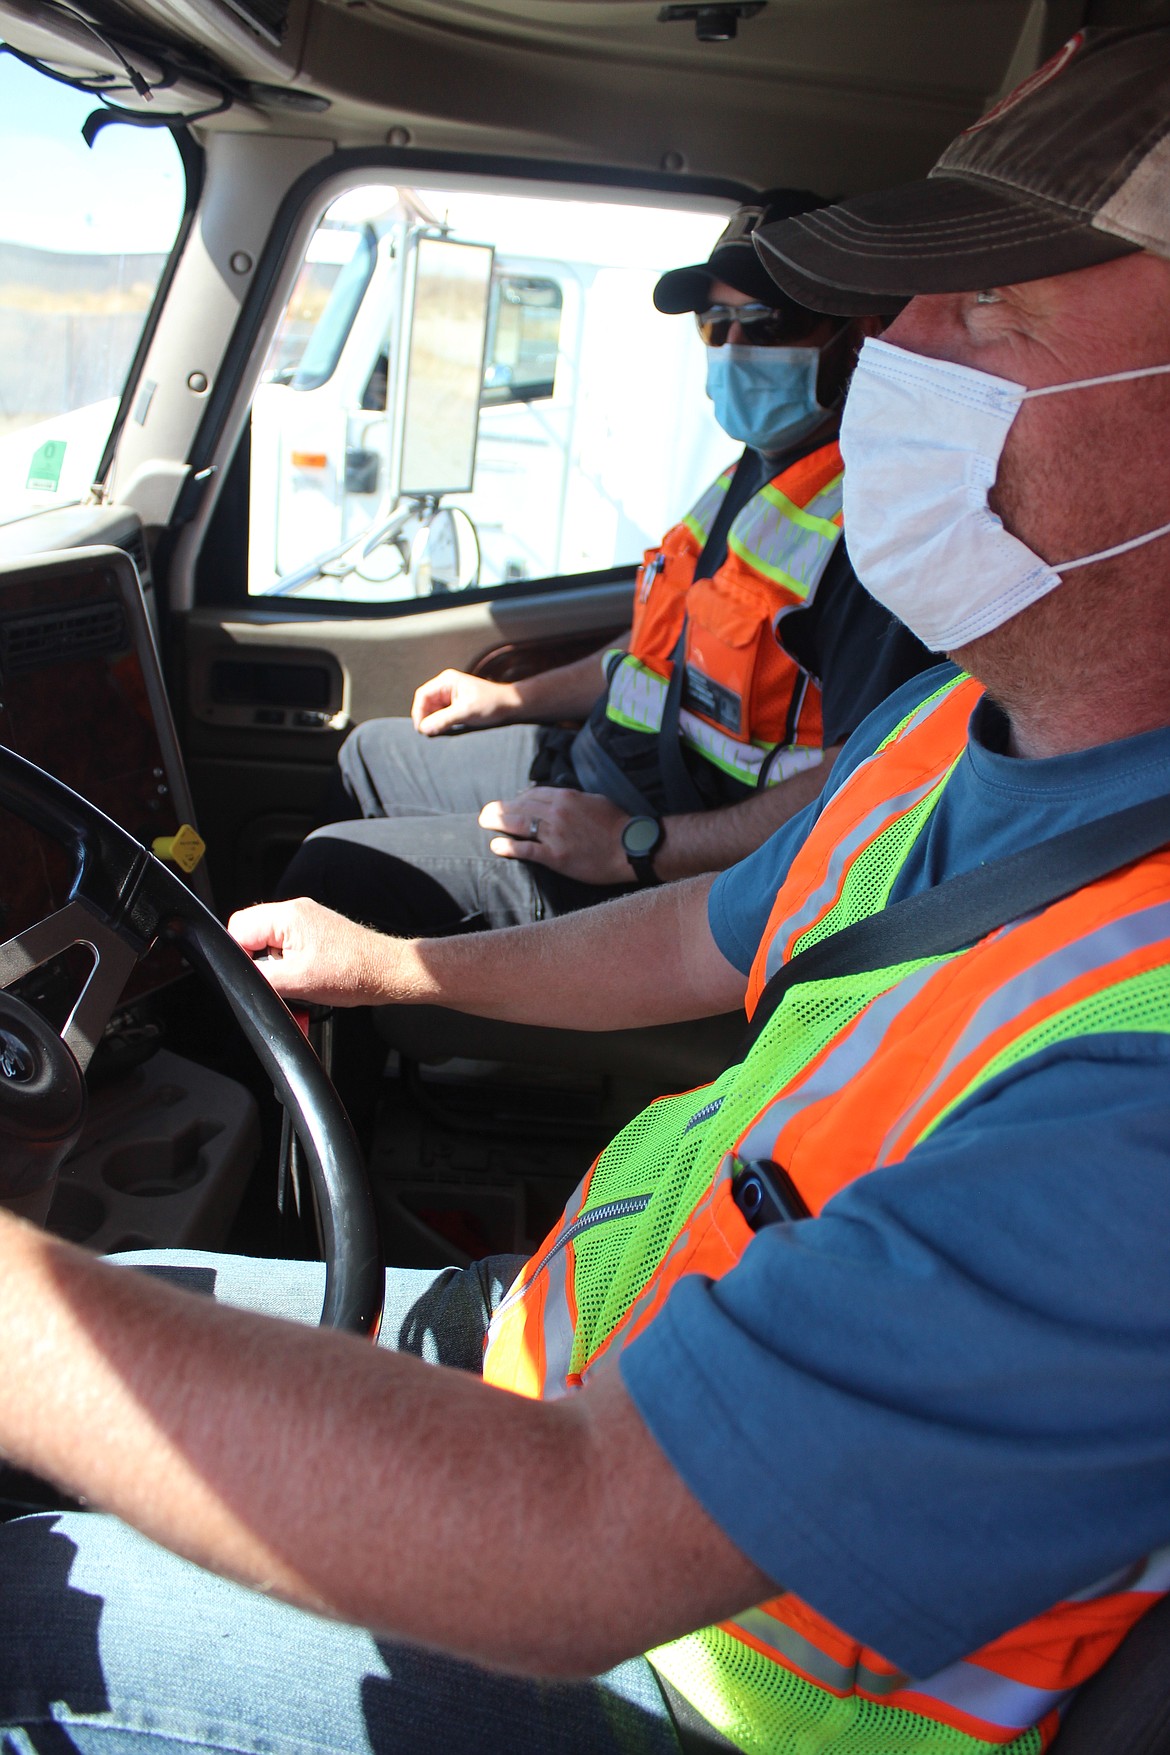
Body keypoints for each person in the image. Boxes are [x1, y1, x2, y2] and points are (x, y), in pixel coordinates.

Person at [3, 23, 1170, 1755]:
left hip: (695, 1669)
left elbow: (582, 1544)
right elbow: (716, 929)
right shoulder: (956, 726)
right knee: (116, 1337)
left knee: (27, 1602)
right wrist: (401, 974)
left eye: (992, 315)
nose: (893, 356)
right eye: (906, 302)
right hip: (567, 1349)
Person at [278, 191, 932, 940]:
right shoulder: (758, 474)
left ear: (861, 336)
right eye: (713, 324)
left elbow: (871, 782)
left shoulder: (873, 520)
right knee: (366, 754)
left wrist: (633, 846)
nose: (731, 348)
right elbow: (663, 658)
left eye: (768, 324)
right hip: (604, 766)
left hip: (685, 862)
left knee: (329, 871)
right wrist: (510, 697)